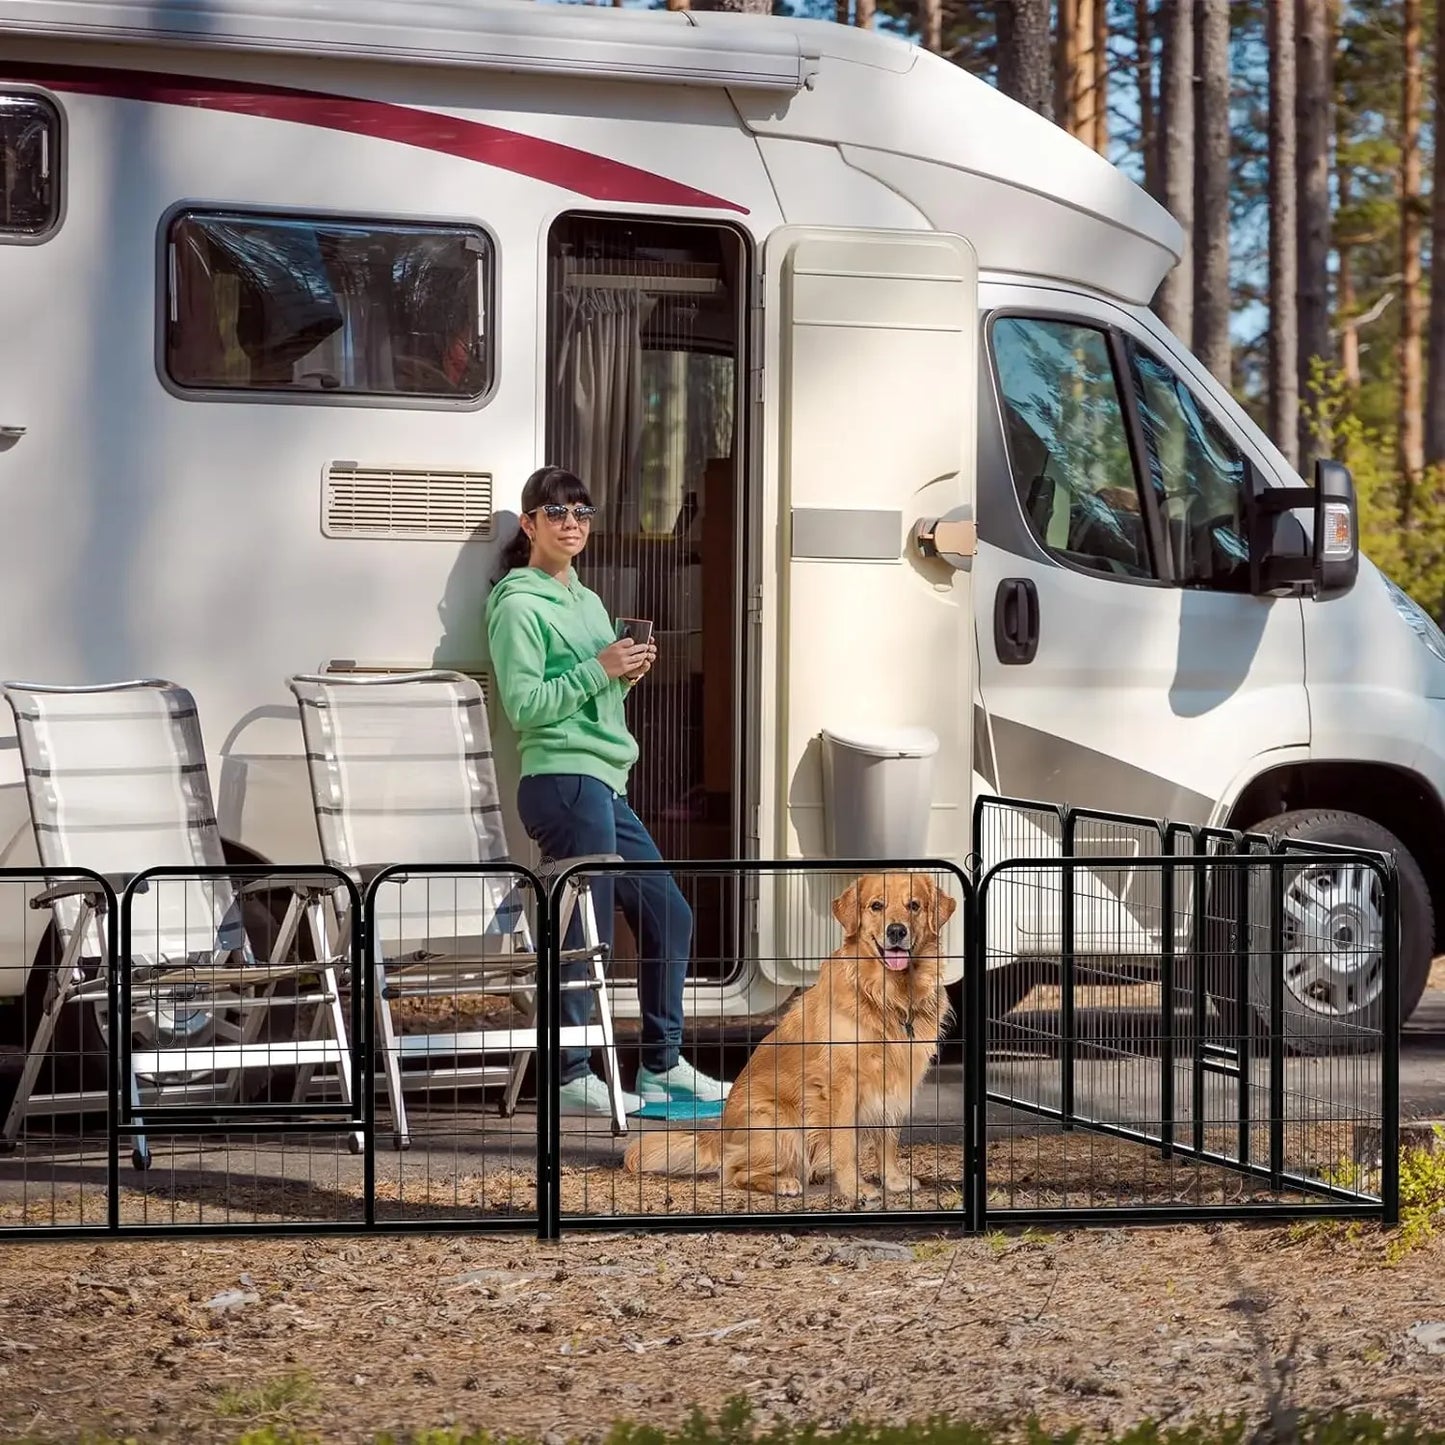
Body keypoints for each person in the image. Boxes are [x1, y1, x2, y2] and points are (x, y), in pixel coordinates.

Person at [485, 465, 731, 1117]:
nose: (571, 524)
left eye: (582, 513)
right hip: (563, 781)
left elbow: (591, 693)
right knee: (583, 926)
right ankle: (569, 1071)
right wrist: (600, 668)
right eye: (556, 512)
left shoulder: (586, 600)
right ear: (528, 523)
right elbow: (525, 705)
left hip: (603, 780)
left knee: (667, 911)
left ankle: (661, 1066)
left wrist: (624, 674)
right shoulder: (517, 602)